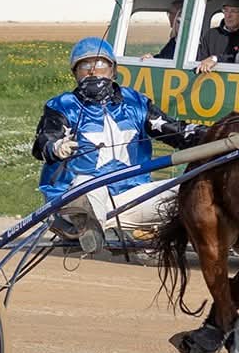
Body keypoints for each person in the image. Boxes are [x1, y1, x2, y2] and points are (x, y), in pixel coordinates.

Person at [32, 36, 209, 245]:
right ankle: (88, 229)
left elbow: (176, 132)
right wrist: (57, 146)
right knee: (87, 185)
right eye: (85, 66)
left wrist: (216, 134)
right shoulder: (62, 106)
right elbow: (43, 142)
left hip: (130, 198)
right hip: (74, 198)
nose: (93, 71)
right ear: (75, 73)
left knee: (191, 188)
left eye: (100, 65)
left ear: (113, 70)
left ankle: (211, 240)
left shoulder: (135, 102)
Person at [195, 0, 239, 75]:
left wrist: (215, 59)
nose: (228, 15)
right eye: (226, 11)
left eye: (233, 11)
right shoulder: (211, 34)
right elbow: (201, 59)